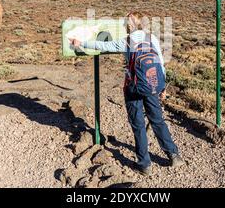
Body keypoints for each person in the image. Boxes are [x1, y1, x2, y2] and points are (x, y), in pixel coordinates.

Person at [69, 12, 184, 176]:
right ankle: (174, 155)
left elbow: (103, 46)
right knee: (157, 120)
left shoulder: (128, 41)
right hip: (152, 85)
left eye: (125, 22)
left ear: (130, 25)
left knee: (138, 124)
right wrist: (162, 87)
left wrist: (81, 43)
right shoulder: (152, 38)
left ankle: (145, 164)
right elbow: (160, 63)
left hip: (134, 88)